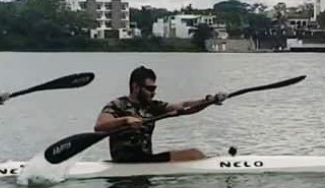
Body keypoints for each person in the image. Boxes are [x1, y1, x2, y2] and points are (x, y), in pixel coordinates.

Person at [94, 65, 226, 163]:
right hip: (126, 161)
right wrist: (125, 120)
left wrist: (209, 100)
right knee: (194, 155)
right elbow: (100, 126)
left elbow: (184, 107)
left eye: (155, 88)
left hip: (146, 160)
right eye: (150, 88)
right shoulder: (117, 105)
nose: (153, 92)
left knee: (194, 154)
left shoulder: (152, 106)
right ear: (135, 87)